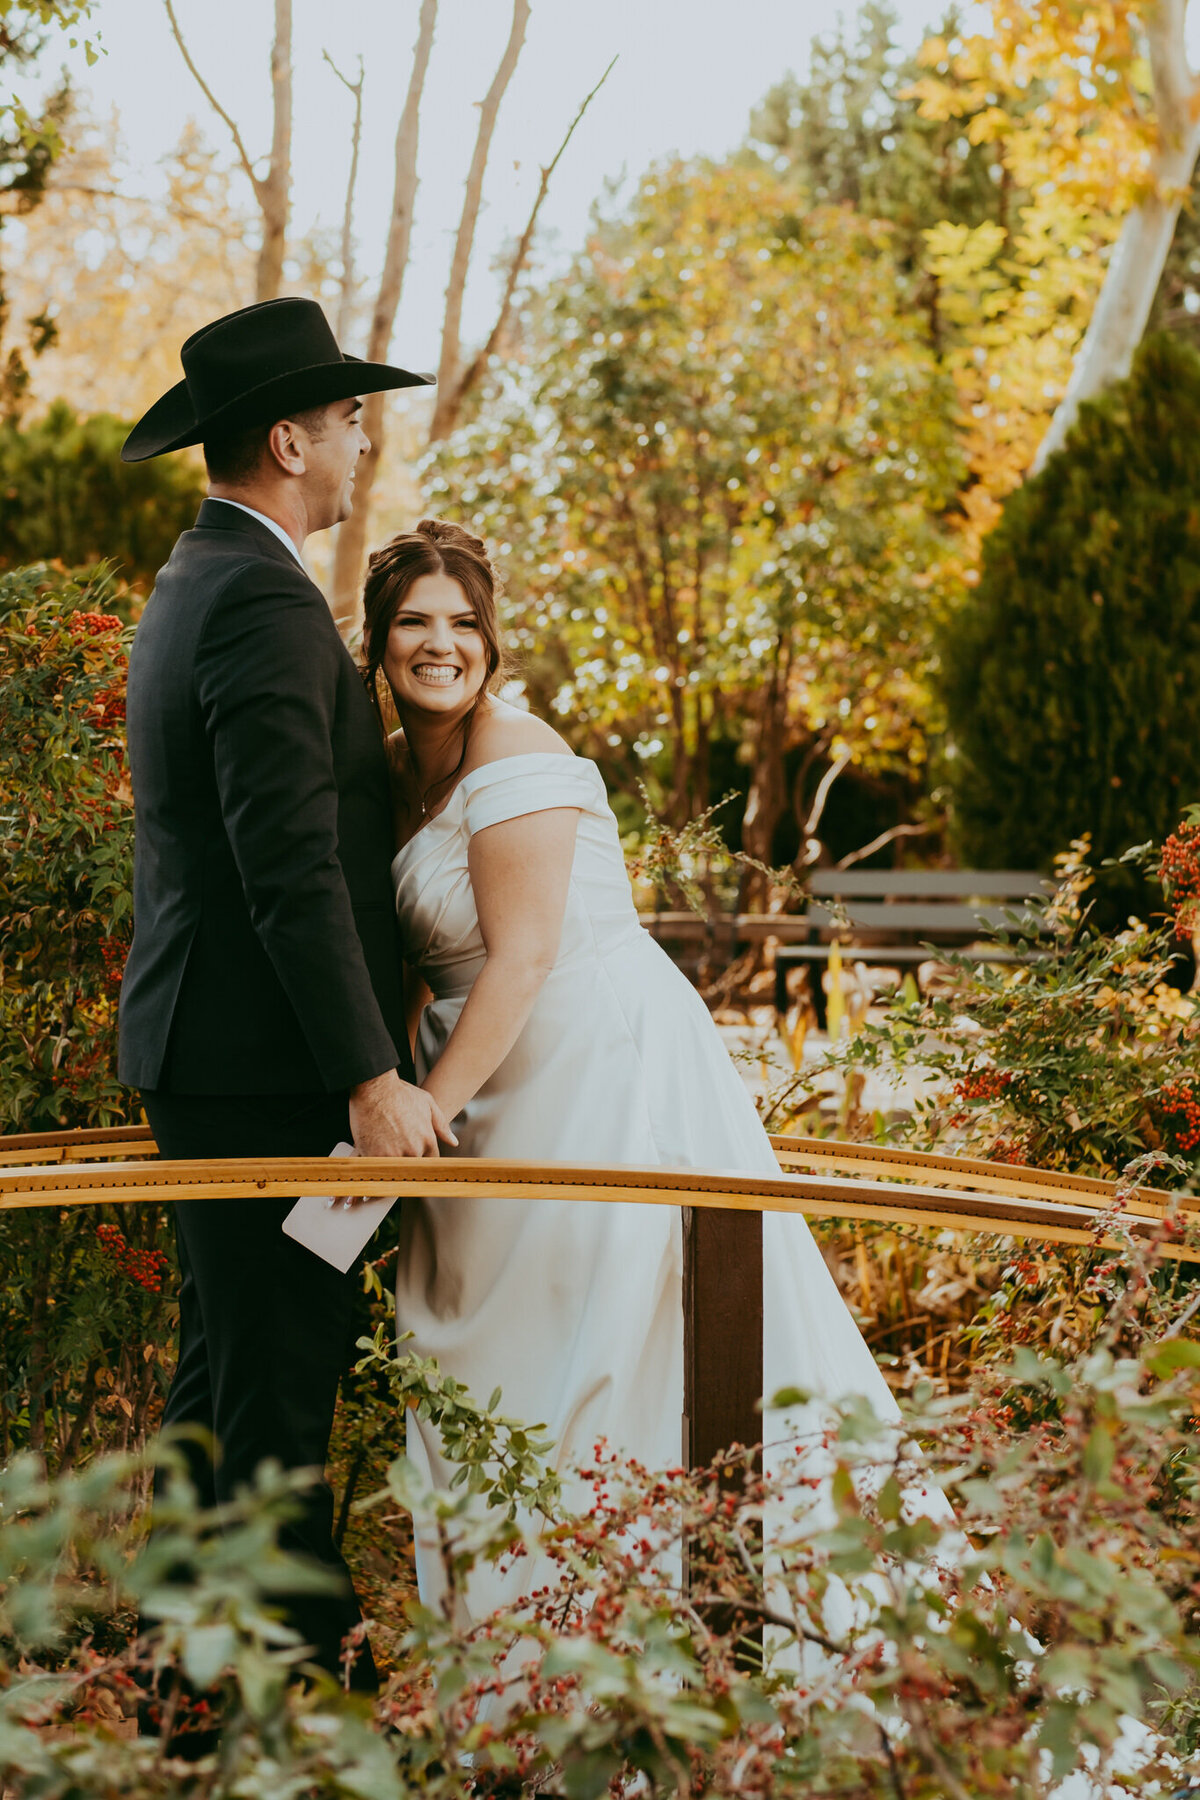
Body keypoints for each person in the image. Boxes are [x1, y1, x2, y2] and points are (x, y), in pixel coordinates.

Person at [363, 519, 941, 1624]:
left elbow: (524, 956)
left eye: (465, 624)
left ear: (493, 640)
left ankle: (659, 1655)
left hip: (594, 1073)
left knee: (615, 1348)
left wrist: (419, 1118)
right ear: (379, 641)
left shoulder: (515, 754)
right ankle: (521, 1662)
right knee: (492, 1361)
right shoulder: (392, 773)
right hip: (473, 1084)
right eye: (414, 624)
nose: (441, 646)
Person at [117, 298, 454, 1690]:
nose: (360, 435)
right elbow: (289, 865)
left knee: (226, 1382)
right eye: (346, 415)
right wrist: (371, 1073)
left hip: (214, 1052)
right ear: (286, 440)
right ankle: (302, 1706)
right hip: (266, 1068)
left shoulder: (201, 575)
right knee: (273, 1395)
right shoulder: (255, 596)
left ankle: (177, 1689)